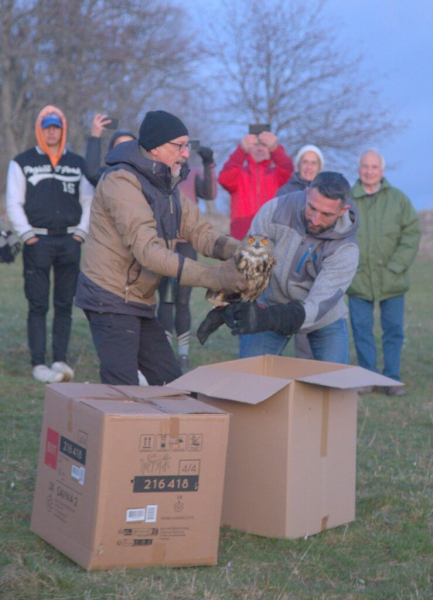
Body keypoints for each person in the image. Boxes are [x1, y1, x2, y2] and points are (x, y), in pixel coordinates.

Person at [75, 110, 247, 386]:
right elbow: (148, 251)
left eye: (187, 145)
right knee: (122, 389)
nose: (185, 153)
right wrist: (215, 277)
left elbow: (199, 231)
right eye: (179, 146)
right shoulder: (121, 181)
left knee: (170, 382)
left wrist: (243, 252)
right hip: (109, 297)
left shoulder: (168, 184)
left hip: (139, 298)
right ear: (155, 148)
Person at [222, 172, 359, 364]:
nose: (315, 219)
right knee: (249, 378)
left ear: (343, 210)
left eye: (327, 214)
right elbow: (251, 263)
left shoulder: (346, 250)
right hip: (269, 305)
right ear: (307, 192)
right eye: (312, 208)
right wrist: (234, 300)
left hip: (323, 317)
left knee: (334, 387)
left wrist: (272, 318)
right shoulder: (274, 211)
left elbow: (318, 305)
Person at [6, 105, 93, 383]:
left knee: (65, 304)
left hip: (70, 241)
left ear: (63, 129)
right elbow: (13, 202)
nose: (52, 131)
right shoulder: (22, 161)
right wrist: (26, 234)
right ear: (40, 129)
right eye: (47, 127)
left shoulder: (78, 163)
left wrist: (81, 231)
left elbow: (89, 200)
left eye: (56, 127)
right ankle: (38, 363)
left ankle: (59, 360)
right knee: (38, 304)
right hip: (37, 242)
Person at [347, 149, 421, 396]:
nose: (369, 171)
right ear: (359, 170)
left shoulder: (399, 199)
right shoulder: (346, 200)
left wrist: (396, 267)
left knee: (393, 330)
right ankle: (367, 376)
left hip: (392, 279)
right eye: (365, 166)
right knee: (361, 328)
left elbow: (411, 234)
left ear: (382, 171)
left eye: (374, 167)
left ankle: (391, 378)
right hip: (358, 278)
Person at [157, 143, 217, 373]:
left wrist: (208, 163)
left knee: (182, 299)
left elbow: (210, 193)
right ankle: (163, 352)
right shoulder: (160, 171)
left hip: (187, 243)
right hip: (163, 241)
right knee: (165, 298)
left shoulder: (192, 173)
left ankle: (182, 355)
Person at [277, 144, 325, 360]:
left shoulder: (328, 191)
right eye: (305, 162)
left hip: (318, 263)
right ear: (298, 165)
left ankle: (312, 368)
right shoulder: (286, 191)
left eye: (313, 162)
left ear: (319, 167)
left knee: (313, 316)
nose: (309, 167)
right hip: (290, 263)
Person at [218, 131, 294, 240]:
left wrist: (275, 148)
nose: (260, 149)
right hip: (242, 236)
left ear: (270, 150)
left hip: (271, 234)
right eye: (255, 145)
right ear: (248, 148)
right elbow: (224, 179)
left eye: (264, 145)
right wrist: (240, 151)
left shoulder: (277, 175)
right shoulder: (239, 174)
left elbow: (289, 171)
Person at [84, 113, 137, 187]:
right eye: (120, 144)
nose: (125, 147)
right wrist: (95, 135)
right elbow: (92, 173)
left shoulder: (144, 176)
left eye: (129, 144)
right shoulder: (107, 176)